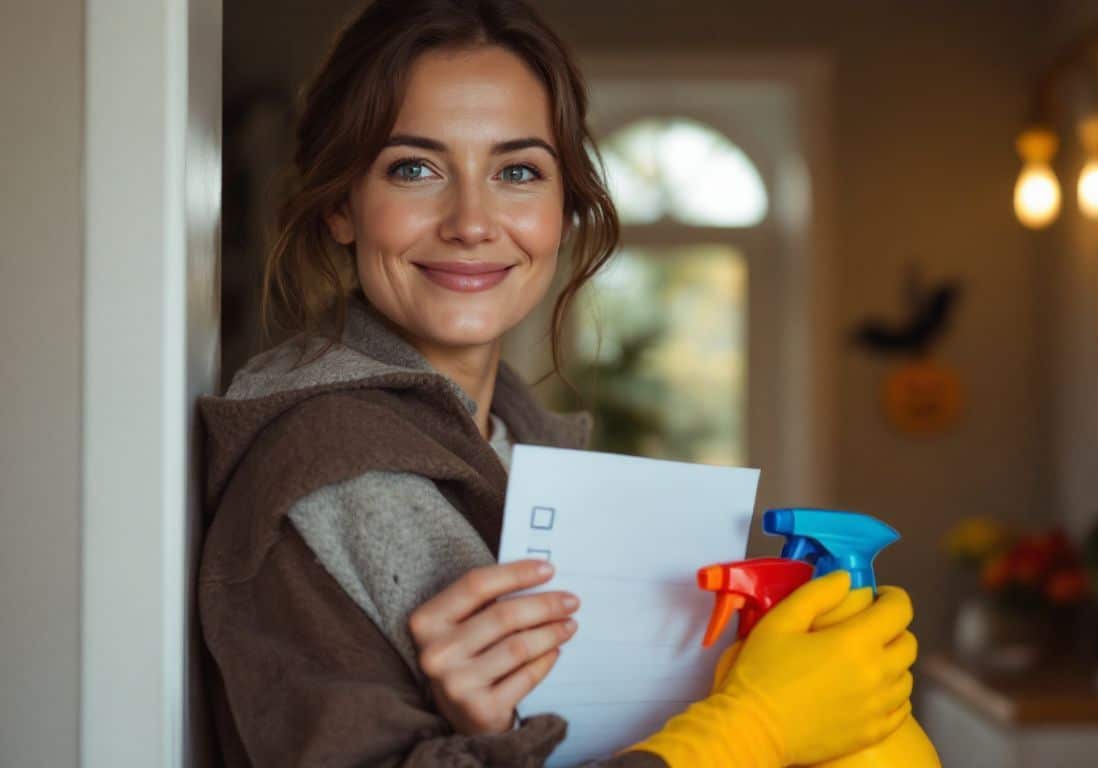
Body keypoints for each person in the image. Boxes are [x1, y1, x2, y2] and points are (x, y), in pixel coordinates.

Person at [198, 1, 922, 765]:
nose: (472, 221)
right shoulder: (310, 473)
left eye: (517, 171)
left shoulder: (524, 450)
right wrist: (755, 731)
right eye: (415, 168)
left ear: (563, 208)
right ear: (344, 206)